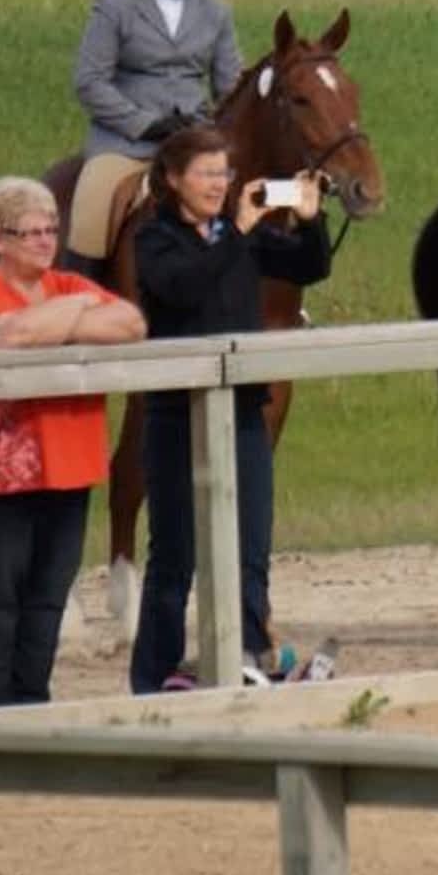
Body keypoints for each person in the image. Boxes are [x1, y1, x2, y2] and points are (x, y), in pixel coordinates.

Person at [0, 177, 147, 707]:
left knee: (47, 596)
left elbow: (131, 322)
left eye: (51, 230)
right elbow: (13, 336)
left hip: (66, 468)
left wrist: (57, 316)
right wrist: (76, 314)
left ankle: (30, 699)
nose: (46, 241)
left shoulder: (66, 286)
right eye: (31, 233)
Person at [129, 125, 332, 691]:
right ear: (173, 179)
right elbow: (185, 289)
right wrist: (240, 230)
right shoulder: (155, 238)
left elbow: (311, 268)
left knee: (251, 547)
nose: (219, 184)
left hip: (243, 409)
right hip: (176, 416)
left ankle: (246, 656)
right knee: (174, 556)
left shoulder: (236, 234)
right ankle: (151, 680)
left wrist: (310, 219)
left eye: (224, 172)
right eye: (206, 173)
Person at [66, 0, 244, 279]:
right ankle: (81, 290)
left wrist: (215, 130)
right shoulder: (114, 7)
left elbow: (230, 86)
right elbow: (89, 81)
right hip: (126, 144)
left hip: (195, 141)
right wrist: (144, 123)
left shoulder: (216, 12)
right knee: (92, 210)